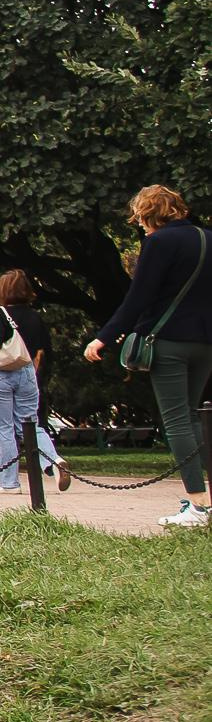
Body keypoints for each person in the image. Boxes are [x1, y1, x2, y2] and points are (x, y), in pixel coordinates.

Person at [83, 185, 212, 529]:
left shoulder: (159, 243)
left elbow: (138, 297)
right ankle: (207, 501)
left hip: (169, 342)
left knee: (178, 420)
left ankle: (199, 507)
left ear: (147, 214)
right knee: (196, 418)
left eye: (139, 217)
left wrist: (103, 337)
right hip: (205, 342)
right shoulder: (207, 237)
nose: (138, 224)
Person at [0, 268, 64, 495]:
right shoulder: (35, 316)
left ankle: (9, 483)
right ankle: (54, 461)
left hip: (0, 373)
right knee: (31, 424)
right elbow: (41, 350)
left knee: (3, 428)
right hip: (27, 373)